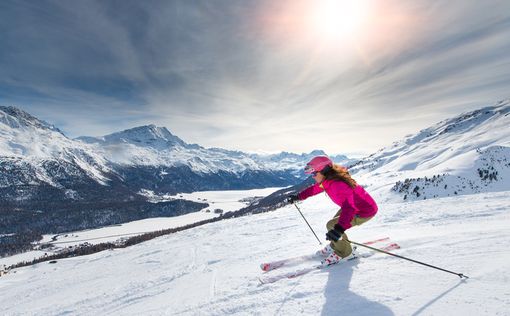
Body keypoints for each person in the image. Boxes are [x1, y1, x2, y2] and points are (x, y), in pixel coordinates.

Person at [286, 156, 378, 266]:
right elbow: (314, 189)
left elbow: (349, 208)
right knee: (335, 225)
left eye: (314, 173)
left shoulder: (338, 185)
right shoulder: (328, 180)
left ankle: (345, 253)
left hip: (364, 211)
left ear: (324, 171)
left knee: (333, 226)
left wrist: (339, 229)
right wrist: (298, 196)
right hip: (354, 206)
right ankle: (336, 245)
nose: (313, 176)